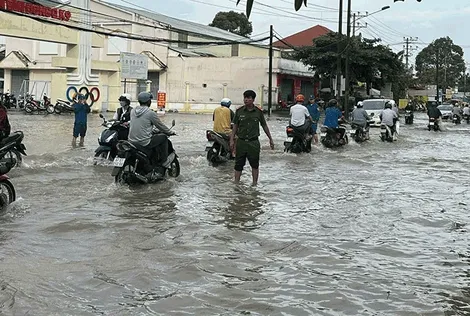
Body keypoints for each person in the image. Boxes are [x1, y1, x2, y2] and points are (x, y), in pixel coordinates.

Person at [230, 90, 274, 186]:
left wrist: (270, 139)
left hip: (253, 143)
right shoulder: (239, 111)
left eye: (249, 98)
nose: (246, 100)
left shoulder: (258, 112)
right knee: (238, 165)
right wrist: (232, 140)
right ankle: (236, 184)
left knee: (254, 164)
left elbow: (264, 125)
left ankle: (254, 184)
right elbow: (235, 127)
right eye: (245, 97)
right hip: (241, 142)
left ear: (253, 100)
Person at [128, 92, 175, 180]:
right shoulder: (150, 113)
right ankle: (163, 162)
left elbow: (141, 124)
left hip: (131, 141)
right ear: (148, 101)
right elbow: (160, 125)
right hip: (145, 142)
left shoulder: (133, 111)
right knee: (163, 137)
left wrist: (151, 130)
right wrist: (169, 132)